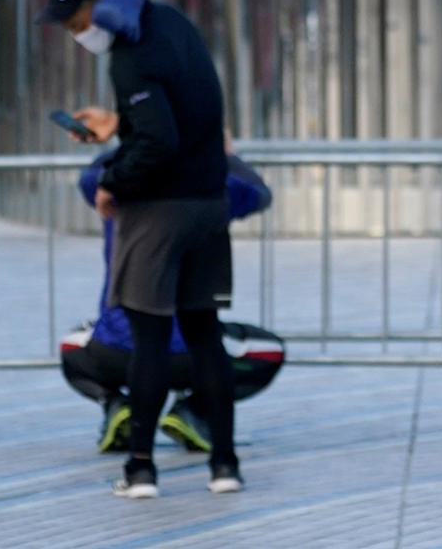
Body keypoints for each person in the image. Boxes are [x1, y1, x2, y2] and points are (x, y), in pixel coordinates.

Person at [43, 0, 243, 499]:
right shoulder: (172, 23)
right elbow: (183, 116)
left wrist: (114, 180)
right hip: (208, 201)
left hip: (158, 212)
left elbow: (159, 142)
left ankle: (140, 470)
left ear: (97, 5)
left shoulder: (128, 56)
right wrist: (120, 128)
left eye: (75, 22)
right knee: (205, 335)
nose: (75, 33)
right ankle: (224, 465)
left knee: (149, 341)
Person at [62, 142, 283, 453]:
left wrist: (125, 138)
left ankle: (116, 404)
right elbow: (260, 193)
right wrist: (224, 154)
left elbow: (89, 177)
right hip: (191, 353)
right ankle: (195, 409)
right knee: (267, 350)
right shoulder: (215, 186)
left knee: (72, 345)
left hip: (118, 347)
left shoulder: (113, 184)